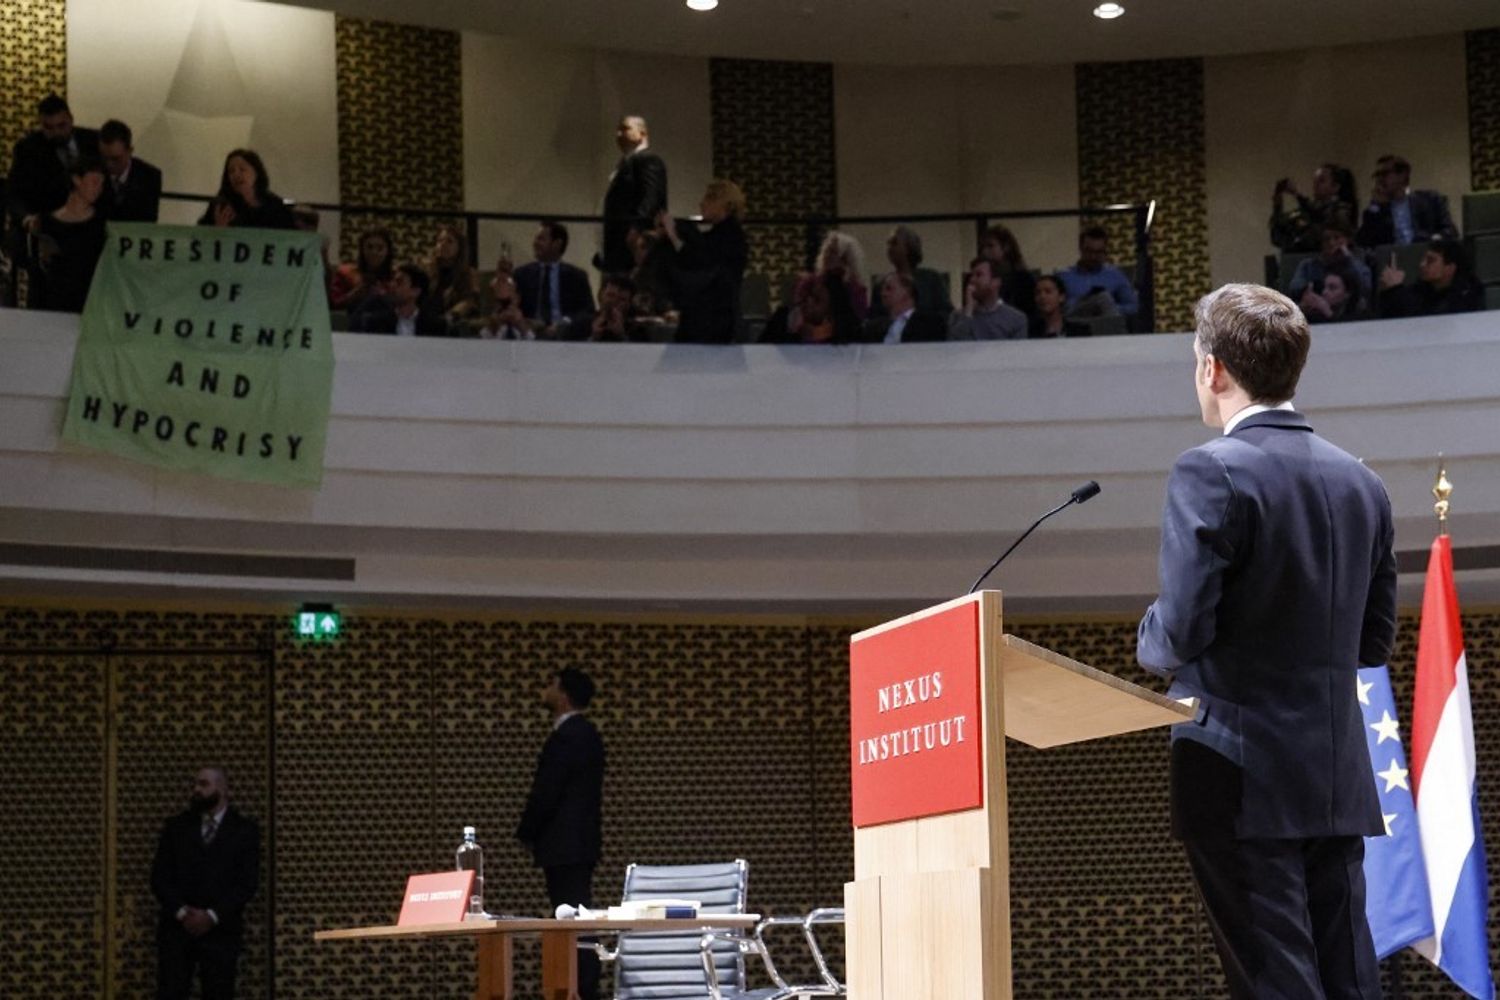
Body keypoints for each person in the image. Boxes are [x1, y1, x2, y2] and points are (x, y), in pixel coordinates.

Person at [1137, 283, 1397, 1000]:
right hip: (1335, 774)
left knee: (1274, 982)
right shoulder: (1362, 483)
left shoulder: (1209, 469)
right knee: (1348, 980)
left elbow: (1180, 630)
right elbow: (1373, 642)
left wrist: (1147, 639)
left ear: (1212, 368)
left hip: (1238, 775)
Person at [517, 668, 606, 1000]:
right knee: (575, 916)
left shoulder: (569, 737)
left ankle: (581, 987)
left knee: (573, 917)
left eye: (551, 685)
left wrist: (528, 830)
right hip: (577, 844)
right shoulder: (587, 735)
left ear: (564, 695)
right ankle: (580, 984)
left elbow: (547, 791)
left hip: (565, 844)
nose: (546, 690)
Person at [150, 766, 261, 1000]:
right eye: (195, 785)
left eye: (203, 785)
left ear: (221, 789)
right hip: (177, 932)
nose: (196, 790)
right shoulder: (176, 827)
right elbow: (159, 877)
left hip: (221, 932)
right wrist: (182, 913)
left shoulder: (244, 830)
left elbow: (247, 884)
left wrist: (212, 915)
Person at [5, 94, 99, 307]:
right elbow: (15, 192)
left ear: (71, 119)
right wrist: (27, 218)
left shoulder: (92, 141)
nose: (56, 132)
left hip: (87, 227)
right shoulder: (29, 148)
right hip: (50, 226)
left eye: (61, 125)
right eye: (49, 127)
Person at [655, 179, 748, 345]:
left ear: (725, 204)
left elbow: (699, 261)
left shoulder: (730, 237)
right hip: (709, 318)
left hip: (713, 320)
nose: (702, 203)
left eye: (709, 198)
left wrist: (674, 235)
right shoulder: (724, 235)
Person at [30, 156, 108, 313]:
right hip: (51, 305)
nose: (99, 188)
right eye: (94, 182)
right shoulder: (46, 222)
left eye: (102, 183)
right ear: (77, 180)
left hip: (88, 305)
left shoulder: (102, 223)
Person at [598, 115, 667, 273]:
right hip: (619, 243)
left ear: (642, 133)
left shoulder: (649, 160)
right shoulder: (627, 163)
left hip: (633, 244)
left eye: (625, 129)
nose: (619, 134)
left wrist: (637, 228)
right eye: (618, 130)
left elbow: (651, 198)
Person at [1356, 155, 1458, 247]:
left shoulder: (1430, 200)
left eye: (1384, 174)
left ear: (1402, 175)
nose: (1379, 180)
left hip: (1426, 255)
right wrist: (1375, 206)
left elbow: (1451, 232)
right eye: (1376, 175)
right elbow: (1364, 243)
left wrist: (1432, 240)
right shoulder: (1376, 211)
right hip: (1393, 262)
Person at [513, 220, 594, 337]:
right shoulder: (521, 274)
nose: (535, 243)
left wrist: (564, 323)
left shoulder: (577, 276)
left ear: (557, 244)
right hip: (528, 334)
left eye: (541, 239)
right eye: (536, 238)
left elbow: (587, 312)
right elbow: (513, 306)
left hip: (564, 335)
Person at [1376, 240, 1485, 318]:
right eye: (1423, 259)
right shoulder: (1421, 288)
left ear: (1450, 268)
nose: (1422, 264)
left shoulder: (1468, 292)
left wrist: (1397, 291)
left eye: (1431, 260)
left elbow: (1432, 320)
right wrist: (1390, 291)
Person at [197, 149, 295, 230]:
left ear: (256, 173)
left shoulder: (275, 205)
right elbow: (200, 235)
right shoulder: (222, 203)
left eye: (242, 169)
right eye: (231, 171)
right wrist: (216, 230)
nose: (236, 174)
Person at [1269, 163, 1356, 253]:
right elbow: (1277, 237)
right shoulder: (1303, 212)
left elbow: (1324, 227)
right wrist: (1277, 205)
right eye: (1315, 181)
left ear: (1335, 187)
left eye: (1322, 181)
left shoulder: (1340, 211)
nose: (1316, 185)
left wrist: (1297, 195)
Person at [1057, 226, 1138, 319]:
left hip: (1107, 327)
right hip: (1074, 327)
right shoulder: (1064, 277)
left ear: (1105, 251)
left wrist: (1108, 308)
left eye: (1099, 252)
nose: (1093, 256)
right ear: (1080, 248)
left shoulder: (1115, 276)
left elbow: (1133, 307)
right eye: (1089, 251)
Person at [871, 225, 952, 318]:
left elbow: (946, 313)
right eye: (888, 244)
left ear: (909, 247)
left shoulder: (931, 279)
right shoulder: (881, 284)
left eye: (894, 243)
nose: (889, 248)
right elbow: (874, 319)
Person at [348, 263, 449, 336]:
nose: (392, 285)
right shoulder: (375, 323)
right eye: (393, 281)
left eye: (399, 282)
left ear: (415, 291)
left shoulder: (435, 326)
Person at [762, 271, 859, 345]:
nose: (809, 301)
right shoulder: (782, 320)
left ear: (831, 311)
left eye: (817, 299)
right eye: (807, 295)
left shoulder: (847, 335)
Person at [1285, 220, 1371, 301]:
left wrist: (1349, 260)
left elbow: (1366, 289)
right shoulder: (1308, 265)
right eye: (1326, 239)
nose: (1331, 243)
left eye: (1337, 238)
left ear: (1347, 240)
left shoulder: (1356, 264)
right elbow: (1294, 290)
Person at [96, 118, 162, 223]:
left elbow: (148, 221)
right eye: (104, 158)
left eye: (115, 159)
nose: (109, 165)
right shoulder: (92, 173)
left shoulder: (149, 177)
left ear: (130, 151)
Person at [949, 257, 1027, 340]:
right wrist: (968, 312)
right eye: (972, 275)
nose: (972, 280)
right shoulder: (956, 316)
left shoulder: (1016, 319)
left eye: (979, 275)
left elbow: (1017, 352)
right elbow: (956, 348)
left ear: (996, 282)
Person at [862, 271, 946, 344]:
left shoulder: (930, 323)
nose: (883, 294)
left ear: (907, 291)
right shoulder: (874, 328)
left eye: (889, 289)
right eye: (882, 290)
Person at [977, 224, 1037, 320]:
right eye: (983, 247)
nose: (985, 252)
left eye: (990, 246)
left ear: (1006, 247)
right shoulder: (981, 279)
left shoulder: (1023, 279)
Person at [427, 224, 480, 330]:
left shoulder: (468, 273)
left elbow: (469, 301)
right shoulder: (427, 270)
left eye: (449, 241)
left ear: (460, 247)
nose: (443, 245)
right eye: (440, 241)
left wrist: (449, 317)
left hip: (453, 321)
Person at [330, 228, 395, 311]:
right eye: (369, 247)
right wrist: (355, 294)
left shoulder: (396, 277)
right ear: (362, 249)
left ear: (388, 251)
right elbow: (333, 305)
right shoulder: (345, 273)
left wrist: (384, 296)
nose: (374, 252)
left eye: (380, 248)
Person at [815, 231, 870, 319]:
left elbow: (860, 315)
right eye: (826, 250)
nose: (827, 255)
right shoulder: (817, 281)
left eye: (833, 252)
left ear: (845, 257)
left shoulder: (853, 285)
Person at [1298, 260, 1368, 324]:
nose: (1324, 292)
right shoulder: (1317, 314)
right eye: (1324, 287)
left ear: (1347, 293)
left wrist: (1328, 313)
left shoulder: (1359, 315)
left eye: (1332, 288)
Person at [478, 269, 532, 340]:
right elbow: (481, 340)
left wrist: (520, 325)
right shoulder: (490, 324)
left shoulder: (525, 322)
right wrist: (494, 326)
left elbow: (533, 341)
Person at [1028, 274, 1071, 338]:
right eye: (1037, 293)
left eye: (1048, 291)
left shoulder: (1080, 330)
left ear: (1061, 297)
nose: (1042, 296)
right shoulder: (1029, 330)